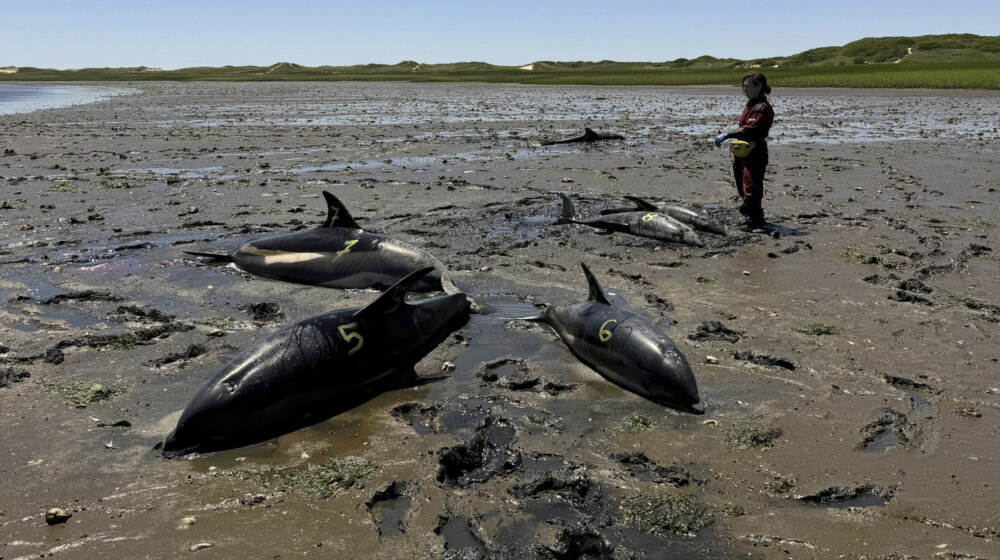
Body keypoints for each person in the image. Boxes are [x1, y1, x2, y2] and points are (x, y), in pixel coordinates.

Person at [715, 73, 774, 229]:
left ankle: (754, 219)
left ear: (759, 86)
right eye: (743, 87)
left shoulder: (762, 108)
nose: (744, 90)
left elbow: (750, 129)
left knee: (751, 187)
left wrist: (727, 135)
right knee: (742, 185)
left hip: (755, 152)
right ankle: (751, 216)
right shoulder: (750, 105)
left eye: (747, 86)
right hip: (743, 152)